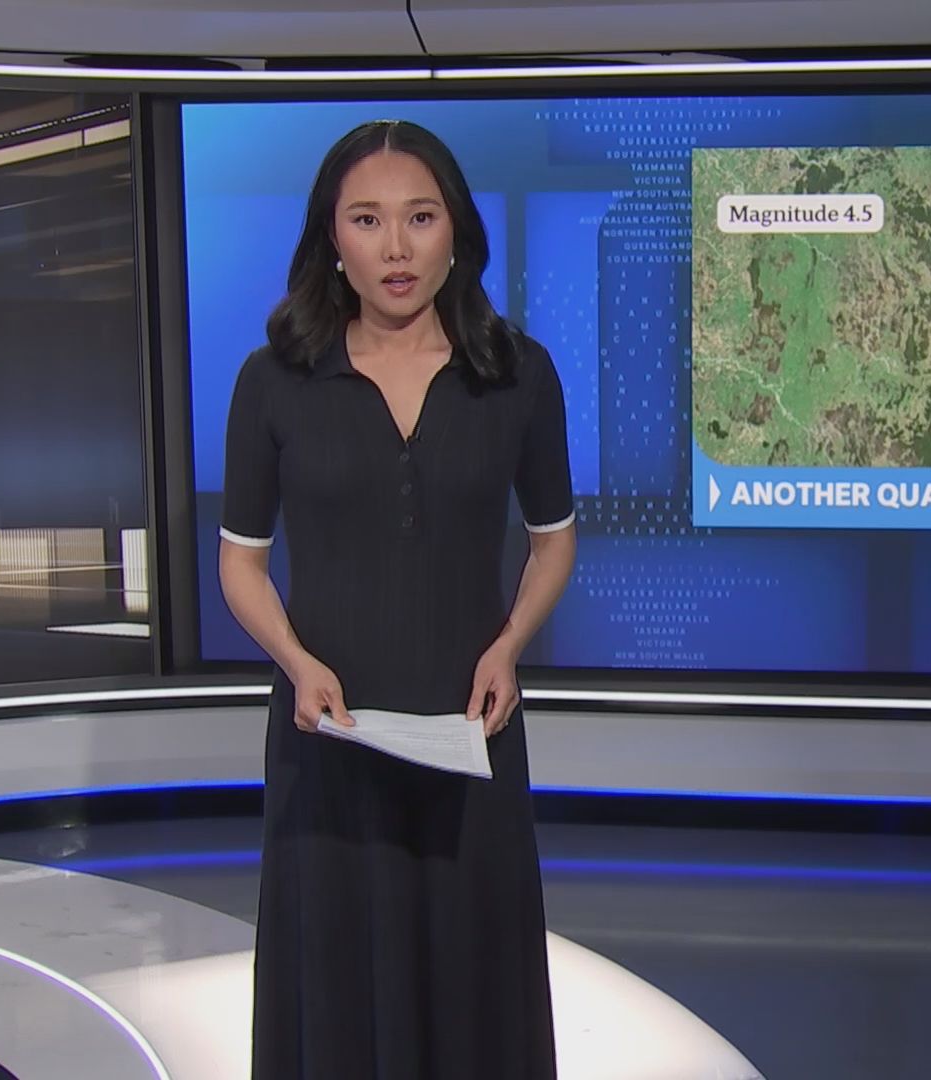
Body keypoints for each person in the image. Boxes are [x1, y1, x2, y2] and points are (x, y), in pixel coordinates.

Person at [216, 118, 576, 1079]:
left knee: (472, 974)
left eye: (420, 217)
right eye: (367, 220)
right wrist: (297, 664)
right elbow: (240, 564)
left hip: (470, 728)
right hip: (328, 732)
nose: (396, 247)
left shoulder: (517, 374)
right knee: (338, 976)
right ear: (332, 238)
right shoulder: (273, 381)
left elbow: (553, 541)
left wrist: (509, 646)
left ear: (456, 230)